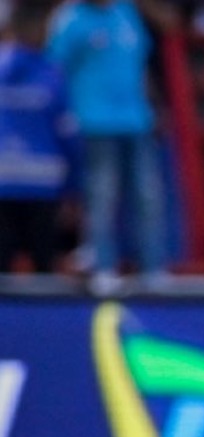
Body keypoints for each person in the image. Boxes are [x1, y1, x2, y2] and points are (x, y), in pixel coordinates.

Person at [46, 0, 173, 294]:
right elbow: (56, 71)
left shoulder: (125, 12)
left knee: (147, 196)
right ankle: (103, 267)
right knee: (101, 197)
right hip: (93, 123)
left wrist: (154, 107)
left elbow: (140, 65)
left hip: (136, 121)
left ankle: (153, 269)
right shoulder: (70, 19)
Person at [0, 0, 83, 274]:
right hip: (43, 187)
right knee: (44, 272)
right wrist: (74, 187)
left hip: (9, 187)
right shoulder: (51, 74)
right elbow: (68, 136)